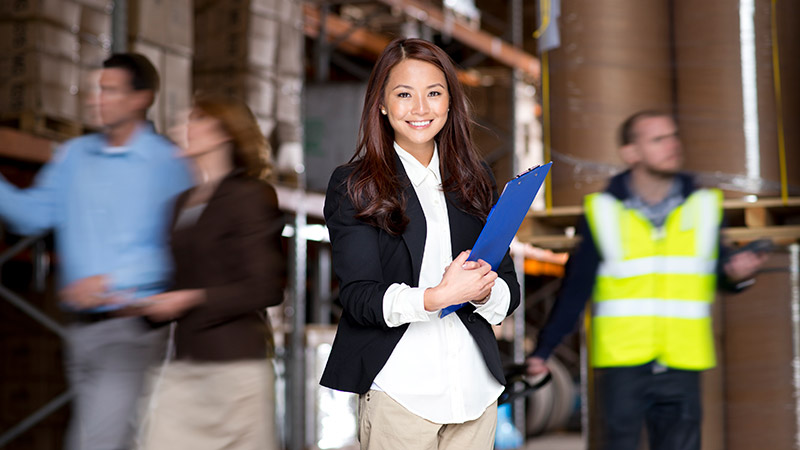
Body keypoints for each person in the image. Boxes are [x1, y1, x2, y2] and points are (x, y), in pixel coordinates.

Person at [321, 37, 521, 450]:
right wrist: (436, 297)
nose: (420, 108)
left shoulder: (476, 180)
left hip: (474, 390)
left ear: (450, 101)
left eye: (434, 93)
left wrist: (481, 293)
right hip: (401, 391)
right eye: (404, 94)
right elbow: (359, 298)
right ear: (381, 103)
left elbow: (508, 288)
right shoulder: (356, 185)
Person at [526, 110, 768, 450]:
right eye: (658, 139)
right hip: (624, 362)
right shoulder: (602, 211)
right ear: (631, 153)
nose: (672, 145)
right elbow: (576, 287)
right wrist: (544, 350)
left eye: (673, 136)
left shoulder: (703, 206)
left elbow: (716, 273)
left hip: (683, 362)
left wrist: (737, 275)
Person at [0, 54, 192, 449]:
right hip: (79, 330)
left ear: (141, 98)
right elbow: (31, 215)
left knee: (94, 443)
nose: (96, 98)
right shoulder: (73, 156)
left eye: (109, 90)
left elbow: (181, 249)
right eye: (94, 89)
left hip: (132, 329)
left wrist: (111, 281)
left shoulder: (166, 164)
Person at [131, 96, 285, 449]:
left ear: (222, 133)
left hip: (235, 368)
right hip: (186, 363)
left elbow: (266, 287)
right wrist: (141, 303)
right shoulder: (179, 204)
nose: (179, 130)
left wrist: (190, 299)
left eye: (193, 121)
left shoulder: (251, 197)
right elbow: (183, 280)